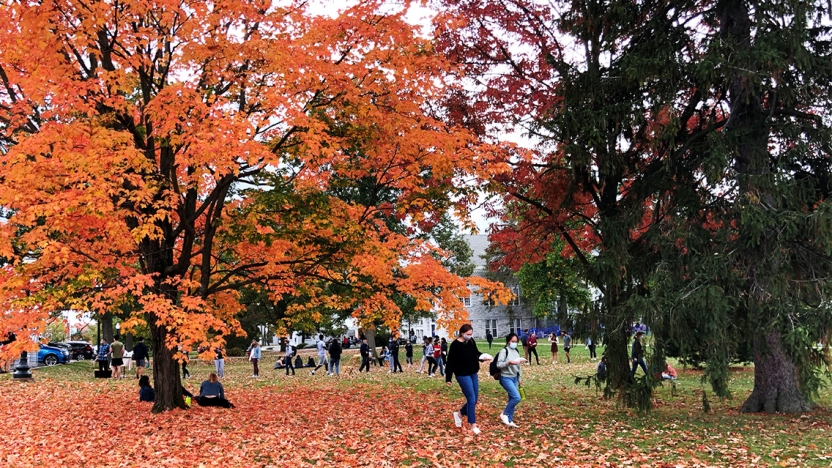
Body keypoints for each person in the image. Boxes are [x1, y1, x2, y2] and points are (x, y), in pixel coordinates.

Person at [445, 324, 490, 435]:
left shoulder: (471, 341)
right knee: (471, 398)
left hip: (473, 372)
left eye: (471, 334)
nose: (470, 336)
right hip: (462, 374)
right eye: (468, 334)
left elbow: (475, 353)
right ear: (462, 333)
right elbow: (450, 362)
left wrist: (483, 357)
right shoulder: (455, 345)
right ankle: (473, 424)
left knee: (475, 399)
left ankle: (459, 414)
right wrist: (448, 378)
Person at [495, 333, 523, 427]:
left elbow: (519, 366)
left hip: (514, 377)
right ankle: (505, 414)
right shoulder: (504, 351)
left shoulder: (516, 351)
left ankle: (510, 420)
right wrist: (508, 363)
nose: (514, 343)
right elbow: (499, 365)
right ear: (508, 341)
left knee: (512, 398)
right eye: (513, 341)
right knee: (516, 397)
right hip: (505, 377)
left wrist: (519, 378)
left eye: (516, 342)